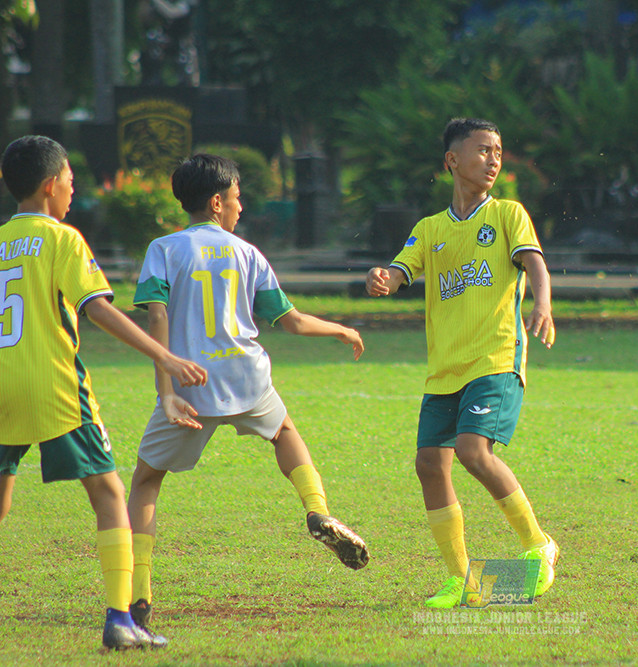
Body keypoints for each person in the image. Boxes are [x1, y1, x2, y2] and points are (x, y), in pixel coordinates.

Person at [126, 154, 369, 632]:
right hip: (246, 376)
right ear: (217, 202)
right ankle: (317, 510)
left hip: (191, 384)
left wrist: (166, 388)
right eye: (237, 198)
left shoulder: (164, 248)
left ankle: (139, 593)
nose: (241, 206)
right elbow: (291, 321)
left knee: (146, 481)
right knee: (284, 434)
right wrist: (341, 328)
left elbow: (157, 316)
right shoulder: (246, 252)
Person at [0, 135, 208, 650]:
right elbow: (97, 309)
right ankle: (120, 620)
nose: (73, 190)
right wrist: (164, 356)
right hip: (52, 385)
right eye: (70, 181)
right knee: (110, 494)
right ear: (50, 185)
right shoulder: (62, 239)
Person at [366, 117, 559, 609]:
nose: (493, 160)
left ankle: (538, 546)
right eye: (482, 150)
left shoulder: (508, 214)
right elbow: (400, 269)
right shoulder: (430, 229)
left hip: (494, 357)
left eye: (498, 151)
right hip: (444, 369)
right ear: (453, 160)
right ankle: (459, 578)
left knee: (473, 452)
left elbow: (534, 262)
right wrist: (382, 278)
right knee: (430, 464)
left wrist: (542, 303)